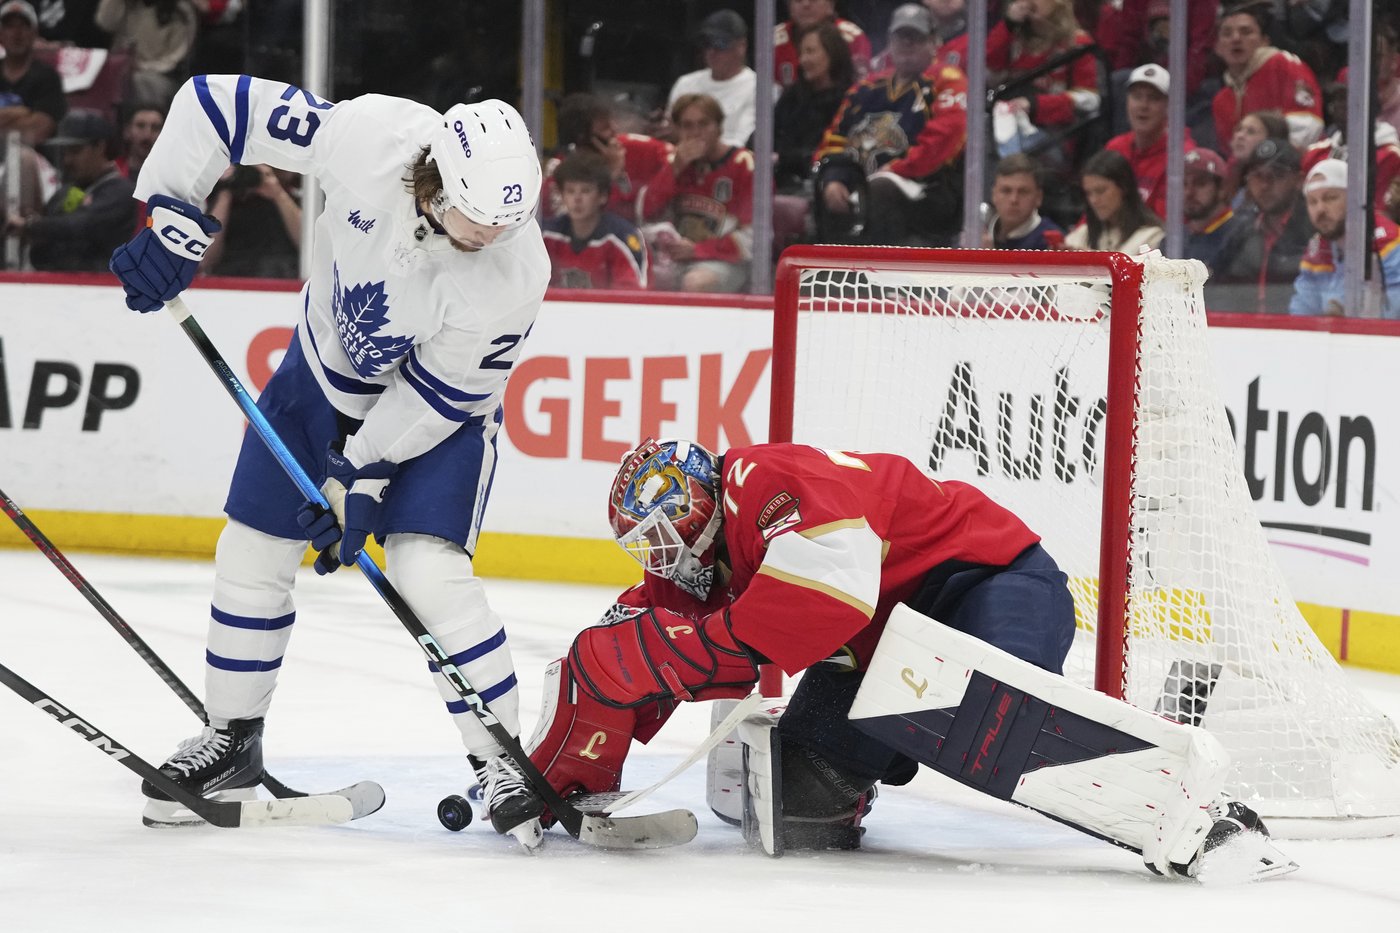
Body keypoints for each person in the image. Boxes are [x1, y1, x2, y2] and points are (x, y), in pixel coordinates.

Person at [106, 74, 552, 848]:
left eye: (507, 222)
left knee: (427, 571)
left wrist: (357, 474)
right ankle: (231, 739)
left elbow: (436, 400)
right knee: (252, 550)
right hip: (319, 376)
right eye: (478, 219)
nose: (493, 237)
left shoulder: (516, 269)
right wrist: (172, 216)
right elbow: (216, 105)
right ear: (439, 182)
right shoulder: (370, 135)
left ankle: (501, 760)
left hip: (436, 418)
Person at [521, 438, 1276, 872]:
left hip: (984, 579)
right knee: (800, 802)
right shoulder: (703, 558)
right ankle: (869, 767)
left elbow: (827, 600)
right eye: (642, 548)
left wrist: (689, 650)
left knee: (993, 714)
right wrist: (548, 773)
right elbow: (625, 653)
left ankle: (1197, 807)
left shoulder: (766, 480)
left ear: (695, 508)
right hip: (889, 644)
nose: (657, 559)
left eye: (660, 538)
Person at [813, 4, 967, 247]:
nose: (907, 43)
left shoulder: (948, 80)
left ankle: (882, 267)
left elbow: (944, 140)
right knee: (824, 189)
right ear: (889, 41)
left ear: (933, 42)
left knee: (882, 188)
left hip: (926, 188)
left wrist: (896, 169)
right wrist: (834, 178)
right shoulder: (865, 89)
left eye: (916, 37)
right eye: (900, 36)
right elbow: (835, 139)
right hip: (863, 183)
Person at [638, 93, 753, 293]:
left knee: (695, 283)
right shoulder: (674, 161)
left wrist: (698, 250)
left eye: (704, 124)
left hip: (726, 260)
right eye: (687, 126)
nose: (696, 133)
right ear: (677, 130)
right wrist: (676, 167)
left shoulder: (744, 164)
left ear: (719, 127)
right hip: (674, 257)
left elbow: (754, 237)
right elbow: (645, 212)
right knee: (635, 276)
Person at [6, 109, 135, 270]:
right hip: (56, 280)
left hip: (101, 282)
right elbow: (46, 240)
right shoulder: (68, 191)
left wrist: (32, 226)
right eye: (65, 151)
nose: (67, 159)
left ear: (99, 147)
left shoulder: (119, 192)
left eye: (75, 151)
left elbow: (80, 225)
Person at [986, 0, 1101, 170]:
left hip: (1055, 133)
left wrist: (1035, 105)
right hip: (1004, 122)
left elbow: (1090, 99)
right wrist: (1008, 24)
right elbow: (988, 69)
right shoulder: (1012, 36)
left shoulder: (1077, 43)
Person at [1211, 137, 1314, 313]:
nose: (1265, 185)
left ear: (1299, 180)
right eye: (1258, 176)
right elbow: (1216, 287)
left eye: (1277, 175)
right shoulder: (1240, 231)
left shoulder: (1312, 232)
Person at [1288, 159, 1400, 319]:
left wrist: (1345, 324)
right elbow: (1303, 308)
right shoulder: (1317, 249)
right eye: (1312, 202)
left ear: (1355, 198)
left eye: (1330, 198)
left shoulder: (1391, 244)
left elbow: (1395, 313)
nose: (1320, 209)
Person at [541, 94, 672, 224]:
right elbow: (573, 222)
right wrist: (613, 172)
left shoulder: (615, 156)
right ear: (582, 137)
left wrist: (619, 174)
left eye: (612, 124)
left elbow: (630, 213)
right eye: (605, 128)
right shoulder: (558, 169)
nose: (615, 131)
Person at [1211, 4, 1323, 151]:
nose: (1236, 38)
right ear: (1218, 47)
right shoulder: (1221, 100)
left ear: (1264, 41)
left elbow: (1308, 123)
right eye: (1227, 34)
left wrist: (1266, 154)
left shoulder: (1283, 65)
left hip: (1297, 161)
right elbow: (1231, 152)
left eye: (1246, 32)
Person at [542, 150, 648, 290]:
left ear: (602, 196)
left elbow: (631, 296)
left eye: (586, 191)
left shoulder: (622, 237)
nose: (577, 199)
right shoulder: (547, 235)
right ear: (562, 195)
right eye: (570, 191)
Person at [772, 21, 853, 195]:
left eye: (810, 51)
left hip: (819, 184)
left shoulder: (851, 99)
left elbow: (830, 153)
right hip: (777, 178)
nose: (803, 60)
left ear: (832, 53)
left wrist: (782, 159)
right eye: (801, 53)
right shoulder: (793, 95)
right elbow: (765, 131)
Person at [1104, 64, 1193, 221]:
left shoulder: (1182, 155)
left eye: (1153, 98)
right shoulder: (1115, 148)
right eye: (1137, 97)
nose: (1143, 106)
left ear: (1169, 107)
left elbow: (1165, 224)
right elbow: (1096, 206)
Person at [666, 10, 758, 149]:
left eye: (720, 44)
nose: (712, 51)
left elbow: (741, 143)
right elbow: (674, 133)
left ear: (741, 46)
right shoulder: (685, 83)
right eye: (707, 43)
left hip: (732, 161)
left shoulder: (759, 88)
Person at [201, 163, 302, 278]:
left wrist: (279, 194)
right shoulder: (220, 196)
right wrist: (226, 189)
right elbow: (205, 259)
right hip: (230, 276)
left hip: (283, 274)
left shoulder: (294, 193)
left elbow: (308, 244)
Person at [94, 0, 199, 109]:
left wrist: (141, 66)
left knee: (139, 81)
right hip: (120, 67)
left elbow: (175, 57)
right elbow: (104, 22)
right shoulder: (128, 4)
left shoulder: (181, 10)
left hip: (161, 75)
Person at [1064, 149, 1164, 254]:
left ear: (1124, 187)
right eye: (1088, 193)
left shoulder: (1152, 236)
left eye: (1101, 191)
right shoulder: (1083, 233)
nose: (1093, 200)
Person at [0, 0, 66, 146]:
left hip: (33, 155)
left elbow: (38, 131)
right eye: (10, 26)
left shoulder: (48, 77)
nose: (17, 33)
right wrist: (22, 113)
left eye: (24, 26)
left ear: (35, 33)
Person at [774, 0, 871, 89]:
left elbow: (862, 87)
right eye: (798, 0)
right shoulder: (772, 41)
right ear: (789, 6)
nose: (806, 4)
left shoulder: (852, 39)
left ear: (831, 5)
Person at [982, 152, 1063, 249]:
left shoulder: (1051, 243)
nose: (1014, 199)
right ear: (994, 194)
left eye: (1023, 192)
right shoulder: (978, 233)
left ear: (1038, 197)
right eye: (1006, 191)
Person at [1182, 148, 1235, 270]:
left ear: (1222, 188)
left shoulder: (1239, 237)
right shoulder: (1173, 240)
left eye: (1200, 183)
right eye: (1184, 184)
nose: (1189, 192)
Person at [115, 103, 164, 179]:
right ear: (127, 131)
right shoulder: (114, 172)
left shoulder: (173, 174)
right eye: (140, 126)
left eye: (155, 128)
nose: (147, 135)